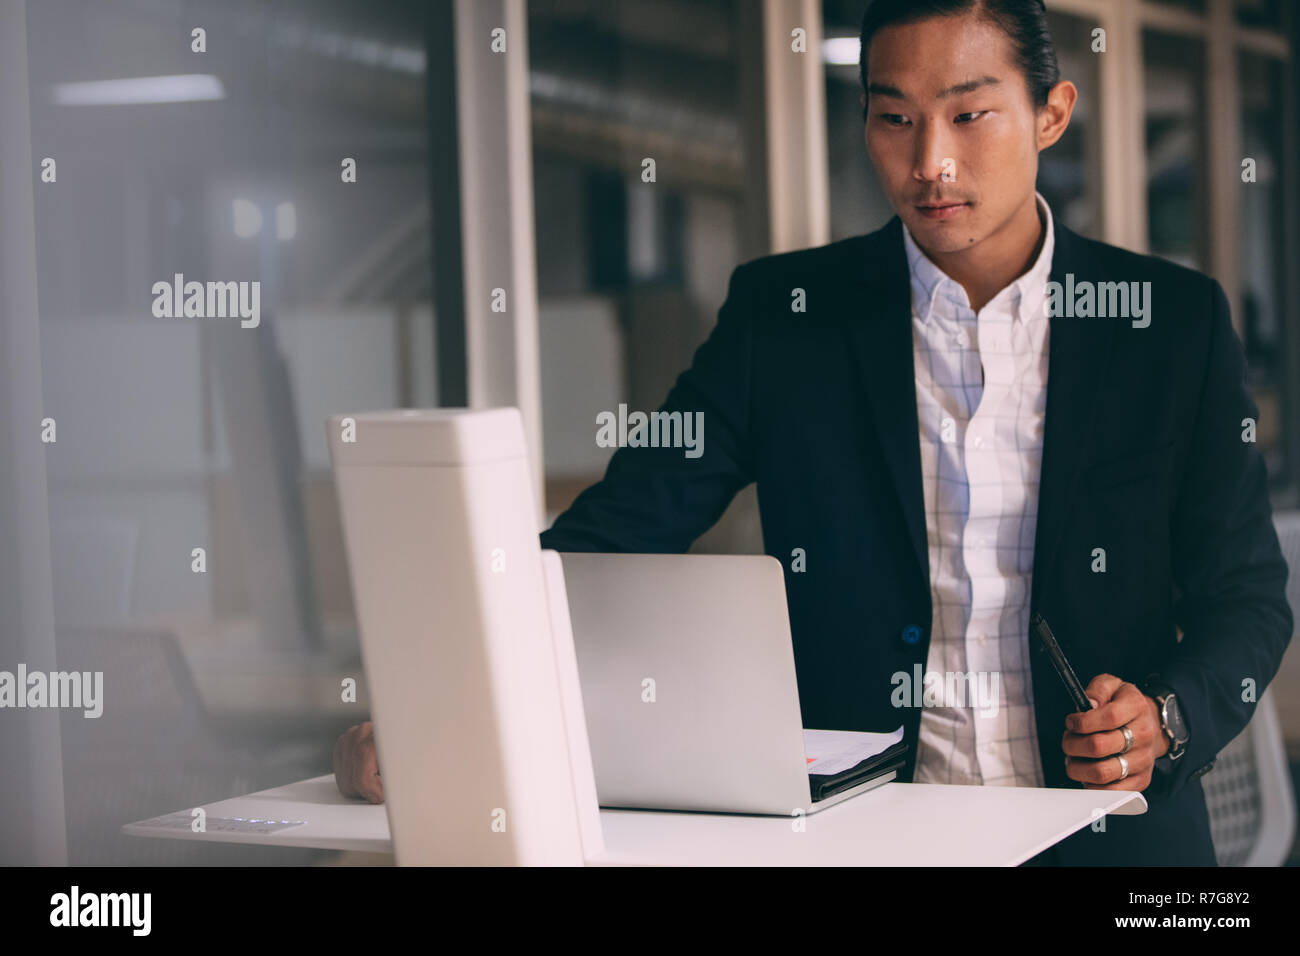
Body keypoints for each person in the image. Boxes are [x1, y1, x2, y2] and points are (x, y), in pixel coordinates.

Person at [335, 0, 1291, 865]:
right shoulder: (784, 319)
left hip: (1105, 840)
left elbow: (1247, 598)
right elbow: (619, 528)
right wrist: (439, 701)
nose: (930, 163)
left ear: (1050, 113)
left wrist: (1167, 716)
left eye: (969, 113)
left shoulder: (1169, 325)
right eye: (894, 118)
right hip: (863, 838)